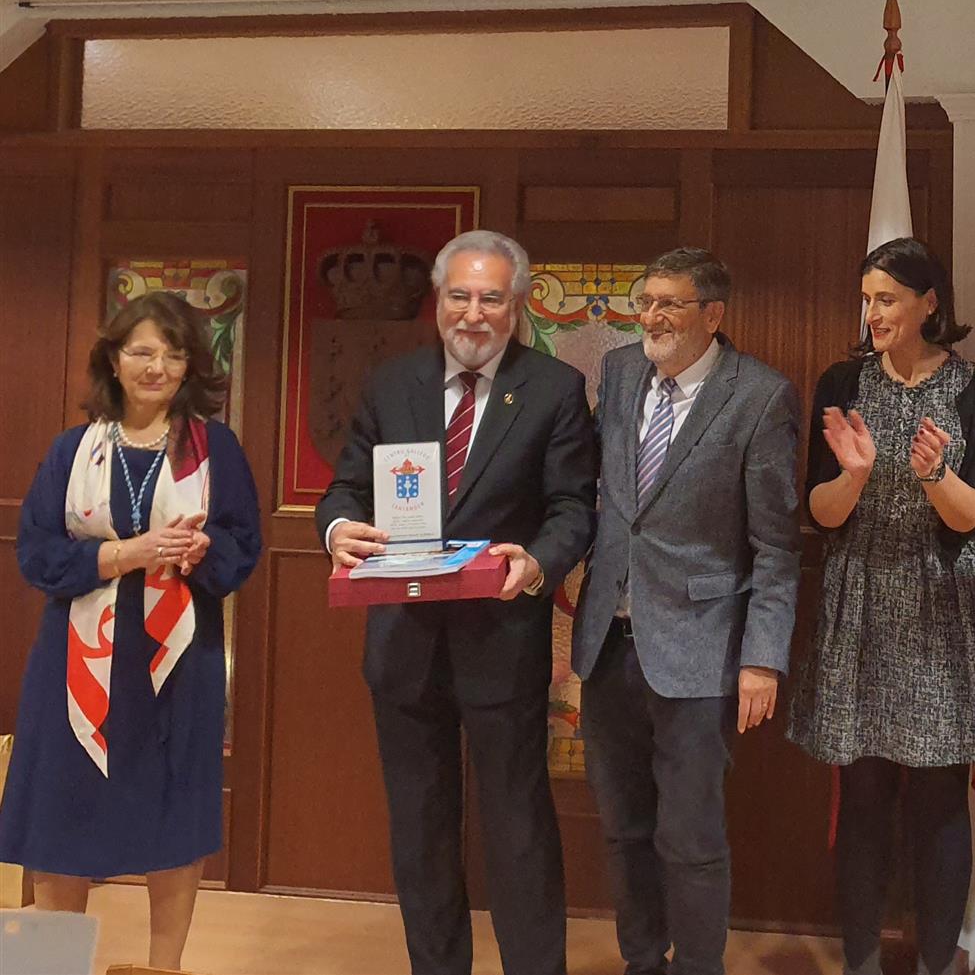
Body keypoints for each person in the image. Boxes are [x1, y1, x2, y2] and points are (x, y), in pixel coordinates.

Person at [317, 229, 595, 975]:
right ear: (439, 301)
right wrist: (340, 528)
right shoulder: (390, 384)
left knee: (518, 827)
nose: (473, 314)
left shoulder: (553, 390)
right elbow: (346, 486)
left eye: (491, 298)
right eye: (460, 296)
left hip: (502, 637)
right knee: (421, 828)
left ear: (518, 305)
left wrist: (538, 560)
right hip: (403, 644)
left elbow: (573, 505)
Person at [0, 292, 261, 969]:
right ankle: (51, 964)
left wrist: (201, 554)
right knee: (63, 810)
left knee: (174, 812)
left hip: (176, 660)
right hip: (77, 660)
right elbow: (36, 552)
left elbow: (243, 544)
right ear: (114, 360)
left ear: (190, 367)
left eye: (173, 354)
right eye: (143, 350)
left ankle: (162, 966)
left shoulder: (215, 448)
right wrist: (126, 554)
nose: (158, 366)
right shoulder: (73, 449)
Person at [786, 237, 975, 975]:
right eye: (868, 299)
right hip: (861, 604)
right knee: (862, 798)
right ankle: (860, 961)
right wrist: (853, 475)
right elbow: (819, 512)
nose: (874, 311)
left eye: (888, 298)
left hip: (944, 608)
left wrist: (936, 474)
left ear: (929, 303)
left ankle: (936, 963)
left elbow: (973, 516)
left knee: (939, 803)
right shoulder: (840, 381)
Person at [569, 247, 801, 975]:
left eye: (670, 303)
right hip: (609, 641)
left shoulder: (760, 396)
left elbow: (775, 544)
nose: (653, 317)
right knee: (622, 828)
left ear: (713, 313)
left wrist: (763, 656)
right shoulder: (621, 373)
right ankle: (644, 961)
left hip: (702, 650)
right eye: (646, 302)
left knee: (692, 836)